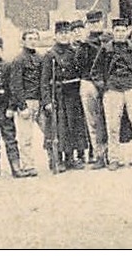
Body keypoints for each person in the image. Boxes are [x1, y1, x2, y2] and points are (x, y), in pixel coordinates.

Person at [94, 18, 132, 168]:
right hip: (113, 89)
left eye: (123, 30)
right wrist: (104, 86)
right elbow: (95, 71)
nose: (120, 34)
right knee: (113, 126)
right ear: (113, 32)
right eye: (117, 31)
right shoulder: (105, 49)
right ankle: (114, 158)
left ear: (127, 31)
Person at [0, 36, 30, 177]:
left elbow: (13, 88)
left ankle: (15, 167)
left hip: (4, 109)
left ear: (2, 50)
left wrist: (11, 107)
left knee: (10, 139)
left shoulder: (8, 66)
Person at [7, 28, 50, 175]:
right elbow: (16, 85)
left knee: (50, 132)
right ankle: (28, 166)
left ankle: (54, 160)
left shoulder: (41, 58)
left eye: (35, 38)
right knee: (26, 137)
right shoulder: (18, 60)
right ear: (23, 41)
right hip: (26, 102)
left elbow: (44, 82)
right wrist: (22, 106)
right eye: (29, 38)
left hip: (40, 102)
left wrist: (45, 102)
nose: (32, 41)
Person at [49, 19, 89, 169]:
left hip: (73, 94)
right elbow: (45, 80)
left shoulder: (74, 52)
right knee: (60, 128)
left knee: (74, 126)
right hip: (58, 95)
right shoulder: (51, 54)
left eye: (66, 33)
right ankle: (58, 159)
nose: (64, 36)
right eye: (61, 34)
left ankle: (71, 158)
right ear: (55, 36)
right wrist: (47, 100)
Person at [78, 11, 112, 167]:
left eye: (98, 22)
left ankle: (112, 155)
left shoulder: (110, 39)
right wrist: (83, 45)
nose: (95, 25)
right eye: (92, 23)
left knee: (110, 120)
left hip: (108, 83)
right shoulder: (84, 44)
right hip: (89, 83)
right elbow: (79, 64)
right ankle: (98, 154)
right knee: (93, 121)